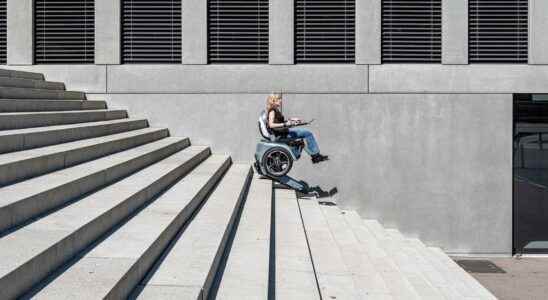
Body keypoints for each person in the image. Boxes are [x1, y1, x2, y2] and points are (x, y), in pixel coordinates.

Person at [266, 94, 329, 164]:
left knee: (306, 133)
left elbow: (279, 122)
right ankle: (316, 156)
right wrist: (285, 124)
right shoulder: (272, 111)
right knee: (307, 134)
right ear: (274, 101)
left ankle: (315, 156)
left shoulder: (275, 110)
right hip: (281, 135)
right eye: (279, 99)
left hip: (284, 132)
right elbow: (271, 125)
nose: (281, 101)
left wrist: (291, 120)